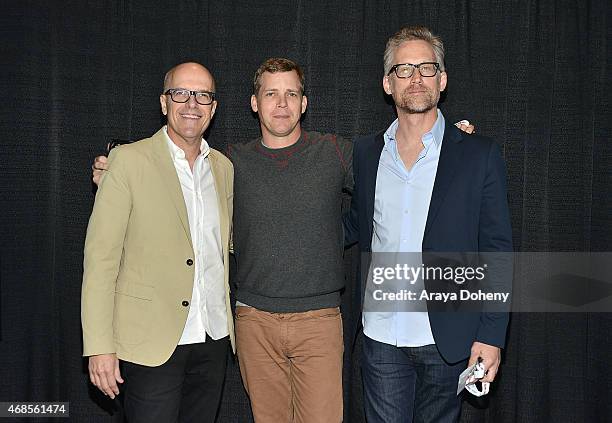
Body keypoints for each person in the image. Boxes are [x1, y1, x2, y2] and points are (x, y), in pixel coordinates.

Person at [344, 26, 512, 422]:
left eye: (426, 67)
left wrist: (491, 335)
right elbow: (354, 224)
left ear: (443, 78)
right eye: (404, 69)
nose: (416, 77)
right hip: (380, 335)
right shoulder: (366, 154)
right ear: (388, 83)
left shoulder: (478, 155)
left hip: (448, 338)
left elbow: (497, 251)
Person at [82, 62, 235, 423]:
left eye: (202, 95)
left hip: (212, 339)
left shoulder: (224, 169)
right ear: (164, 103)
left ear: (213, 108)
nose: (191, 103)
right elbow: (101, 258)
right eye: (180, 93)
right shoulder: (128, 161)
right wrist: (100, 346)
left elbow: (223, 247)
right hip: (150, 343)